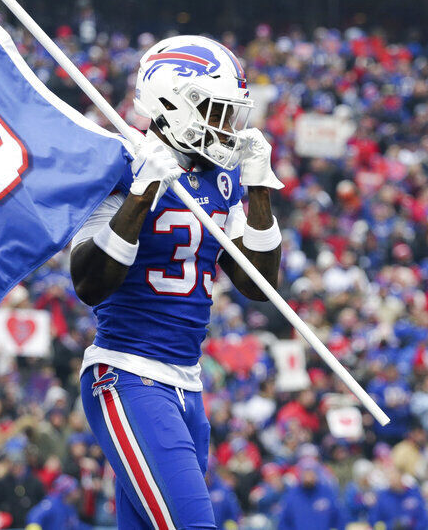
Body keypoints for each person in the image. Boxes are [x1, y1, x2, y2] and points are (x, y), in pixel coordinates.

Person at [70, 35, 283, 529]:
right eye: (215, 110)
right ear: (172, 104)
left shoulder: (222, 177)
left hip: (188, 384)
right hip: (128, 375)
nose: (227, 126)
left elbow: (259, 285)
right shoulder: (120, 163)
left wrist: (259, 189)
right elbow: (88, 282)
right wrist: (143, 192)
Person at [277, 460, 345, 530]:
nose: (308, 475)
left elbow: (339, 519)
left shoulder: (327, 492)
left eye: (311, 472)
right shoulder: (292, 495)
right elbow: (283, 523)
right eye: (305, 472)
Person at [25, 475, 90, 530]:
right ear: (68, 491)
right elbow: (34, 516)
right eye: (76, 489)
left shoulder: (69, 506)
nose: (79, 492)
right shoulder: (52, 503)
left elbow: (75, 525)